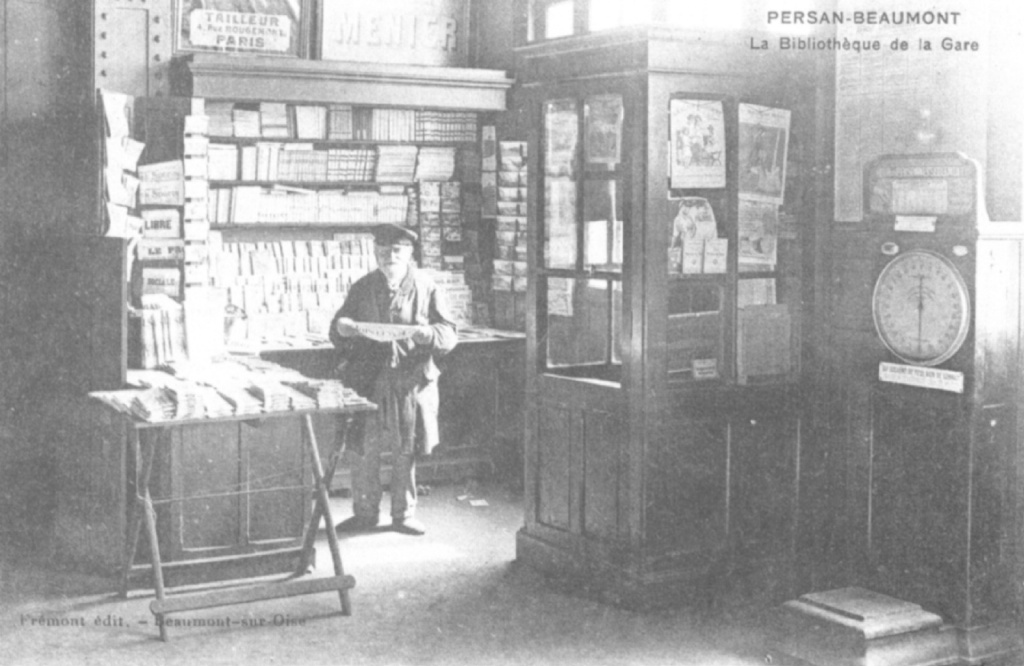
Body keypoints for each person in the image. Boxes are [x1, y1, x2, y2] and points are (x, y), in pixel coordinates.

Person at [329, 224, 458, 536]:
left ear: (409, 253)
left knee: (406, 447)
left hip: (409, 380)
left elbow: (449, 333)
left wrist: (429, 334)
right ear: (375, 253)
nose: (390, 257)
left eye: (397, 251)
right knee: (364, 446)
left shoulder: (427, 287)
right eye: (383, 251)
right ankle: (365, 513)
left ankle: (404, 514)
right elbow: (337, 329)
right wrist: (341, 328)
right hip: (368, 378)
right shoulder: (362, 287)